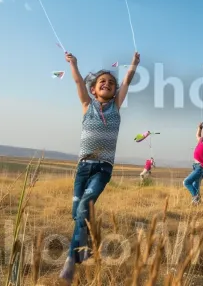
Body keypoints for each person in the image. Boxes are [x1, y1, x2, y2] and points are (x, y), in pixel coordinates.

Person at [59, 51, 140, 283]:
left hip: (102, 169)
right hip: (83, 168)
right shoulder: (88, 106)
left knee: (85, 205)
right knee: (77, 214)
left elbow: (126, 81)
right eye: (102, 81)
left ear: (115, 91)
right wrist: (74, 63)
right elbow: (77, 81)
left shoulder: (115, 108)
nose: (107, 83)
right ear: (93, 89)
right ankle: (87, 246)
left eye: (111, 83)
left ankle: (70, 261)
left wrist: (133, 64)